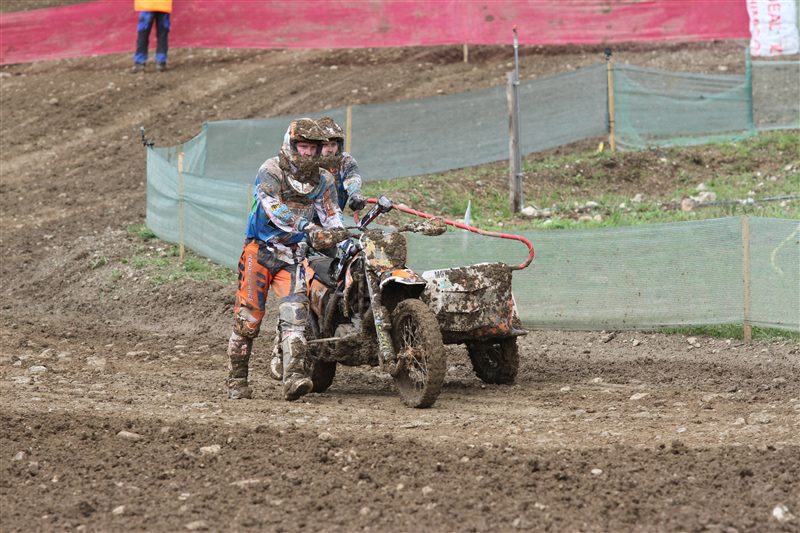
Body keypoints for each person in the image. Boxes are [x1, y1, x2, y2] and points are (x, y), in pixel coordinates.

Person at [227, 118, 346, 401]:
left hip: (293, 254)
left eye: (313, 148)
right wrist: (308, 227)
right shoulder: (271, 170)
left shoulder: (323, 180)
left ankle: (293, 377)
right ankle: (237, 380)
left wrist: (340, 238)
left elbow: (331, 215)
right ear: (291, 145)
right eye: (303, 146)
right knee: (248, 318)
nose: (308, 153)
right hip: (260, 250)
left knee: (296, 315)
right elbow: (273, 208)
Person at [267, 116, 366, 381]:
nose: (330, 149)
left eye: (335, 144)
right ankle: (280, 343)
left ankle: (344, 312)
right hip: (301, 229)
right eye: (327, 144)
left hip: (333, 226)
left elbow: (352, 178)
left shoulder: (345, 162)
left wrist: (355, 194)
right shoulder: (309, 165)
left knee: (350, 262)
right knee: (299, 282)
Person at [132, 0, 172, 72]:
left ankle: (140, 62)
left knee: (143, 34)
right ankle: (161, 62)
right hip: (163, 5)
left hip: (146, 5)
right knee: (162, 34)